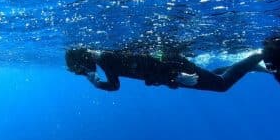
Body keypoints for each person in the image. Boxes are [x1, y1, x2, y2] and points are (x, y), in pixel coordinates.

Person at [65, 47, 263, 92]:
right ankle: (253, 65)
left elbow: (148, 60)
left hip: (172, 68)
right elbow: (115, 85)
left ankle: (260, 55)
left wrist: (176, 75)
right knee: (214, 77)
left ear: (83, 60)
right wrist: (96, 82)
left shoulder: (108, 57)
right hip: (168, 72)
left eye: (81, 70)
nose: (84, 72)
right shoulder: (104, 60)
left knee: (221, 85)